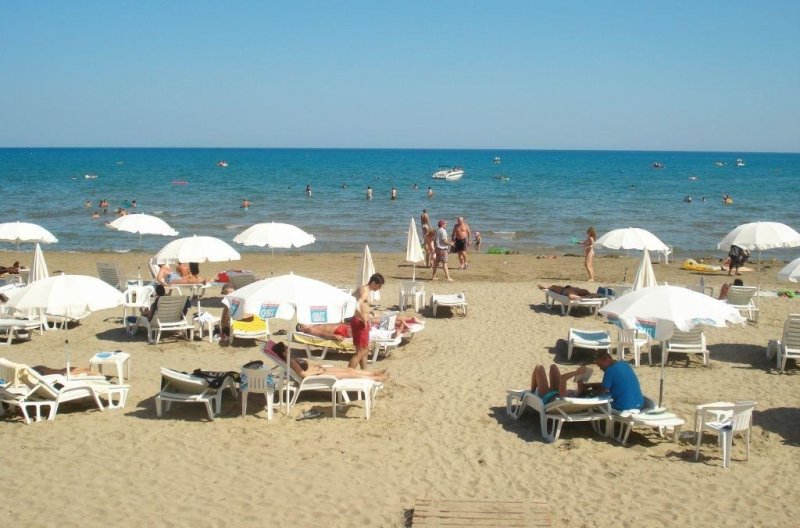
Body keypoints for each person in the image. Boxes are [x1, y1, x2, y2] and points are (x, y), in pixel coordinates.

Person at [269, 341, 388, 382]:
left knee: (350, 369)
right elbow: (303, 374)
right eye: (285, 348)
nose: (288, 348)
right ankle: (376, 378)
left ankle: (374, 373)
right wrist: (317, 371)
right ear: (283, 353)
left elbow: (305, 367)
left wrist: (316, 366)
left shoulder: (290, 358)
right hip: (317, 375)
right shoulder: (290, 361)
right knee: (350, 374)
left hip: (318, 370)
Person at [350, 273, 386, 369]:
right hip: (360, 322)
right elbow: (356, 305)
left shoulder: (364, 290)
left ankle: (364, 373)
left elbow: (358, 302)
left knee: (365, 350)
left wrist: (370, 311)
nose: (379, 288)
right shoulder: (365, 290)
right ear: (373, 283)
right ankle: (348, 373)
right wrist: (363, 319)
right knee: (360, 352)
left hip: (360, 321)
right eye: (379, 286)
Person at [529, 364, 593, 403]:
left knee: (538, 367)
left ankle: (531, 393)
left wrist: (577, 372)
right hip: (557, 393)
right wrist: (581, 375)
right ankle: (531, 393)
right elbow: (580, 383)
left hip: (547, 397)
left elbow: (563, 378)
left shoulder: (565, 398)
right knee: (553, 367)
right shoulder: (578, 396)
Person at [537, 284, 601, 300]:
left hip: (565, 290)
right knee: (587, 292)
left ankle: (545, 287)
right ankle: (545, 287)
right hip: (571, 289)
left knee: (553, 287)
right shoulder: (585, 292)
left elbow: (571, 296)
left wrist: (582, 298)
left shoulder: (554, 287)